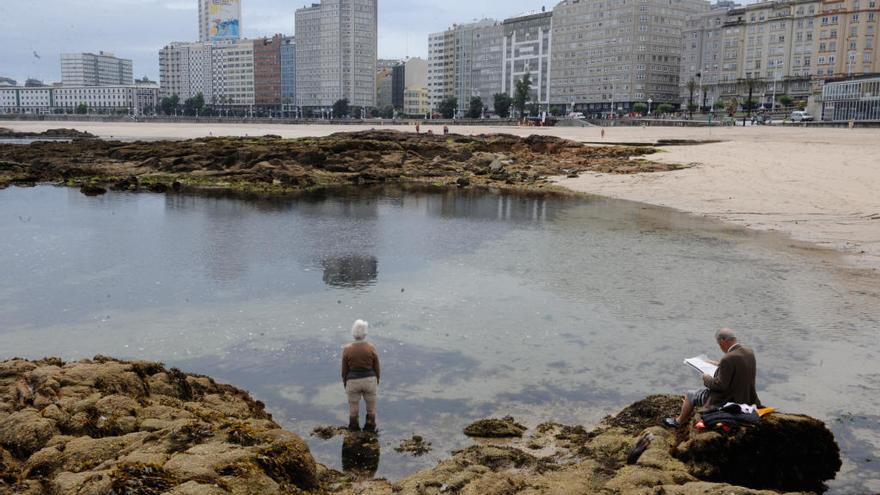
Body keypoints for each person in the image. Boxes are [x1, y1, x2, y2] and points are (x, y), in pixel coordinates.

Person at [664, 328, 760, 428]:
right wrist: (719, 364)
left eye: (719, 344)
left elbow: (719, 386)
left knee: (690, 394)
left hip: (728, 398)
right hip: (747, 396)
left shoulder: (727, 359)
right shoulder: (749, 352)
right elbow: (738, 366)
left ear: (723, 341)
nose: (720, 347)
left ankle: (678, 422)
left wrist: (706, 377)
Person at [342, 320, 381, 432]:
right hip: (370, 380)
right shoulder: (371, 347)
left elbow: (344, 370)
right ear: (365, 333)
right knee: (371, 409)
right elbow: (376, 366)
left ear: (353, 332)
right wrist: (377, 379)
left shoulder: (347, 349)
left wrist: (345, 382)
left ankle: (353, 431)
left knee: (353, 410)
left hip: (352, 381)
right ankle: (370, 430)